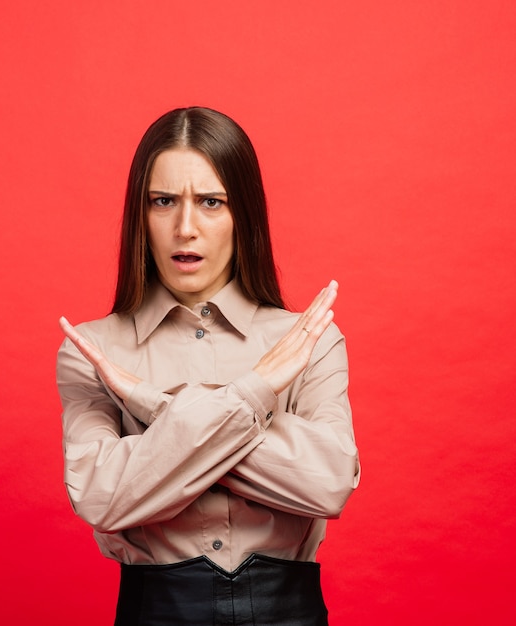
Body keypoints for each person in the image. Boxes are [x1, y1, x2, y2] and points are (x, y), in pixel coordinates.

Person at [56, 106, 360, 625]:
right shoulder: (91, 350)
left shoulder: (306, 339)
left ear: (244, 213)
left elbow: (328, 483)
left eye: (211, 202)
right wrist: (257, 391)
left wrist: (151, 405)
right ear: (141, 214)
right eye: (164, 201)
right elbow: (100, 498)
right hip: (156, 611)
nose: (185, 227)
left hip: (289, 612)